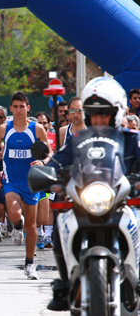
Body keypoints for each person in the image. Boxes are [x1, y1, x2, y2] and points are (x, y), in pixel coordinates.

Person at [46, 77, 140, 311]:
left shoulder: (132, 139)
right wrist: (47, 172)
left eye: (104, 113)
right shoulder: (77, 141)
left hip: (122, 201)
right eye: (94, 114)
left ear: (117, 113)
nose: (98, 119)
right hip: (87, 202)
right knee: (62, 217)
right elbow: (58, 161)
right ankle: (65, 282)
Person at [0, 92, 51, 281]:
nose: (18, 110)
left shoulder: (37, 128)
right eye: (15, 106)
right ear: (11, 109)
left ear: (27, 108)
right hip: (11, 181)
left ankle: (29, 264)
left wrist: (43, 162)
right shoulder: (4, 129)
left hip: (31, 182)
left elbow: (49, 152)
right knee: (14, 213)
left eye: (21, 106)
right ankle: (16, 224)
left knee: (32, 226)